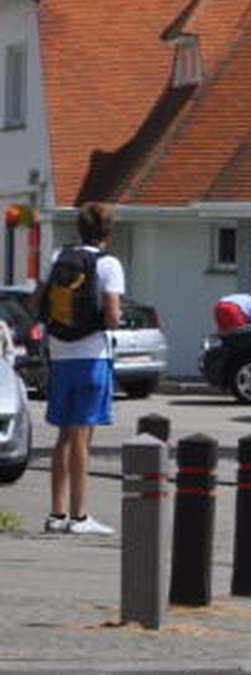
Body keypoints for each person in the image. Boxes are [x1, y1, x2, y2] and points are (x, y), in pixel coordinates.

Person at [40, 202, 124, 535]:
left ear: (79, 229)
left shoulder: (59, 257)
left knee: (63, 433)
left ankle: (56, 514)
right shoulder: (109, 264)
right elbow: (113, 315)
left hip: (59, 353)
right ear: (107, 232)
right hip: (92, 356)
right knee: (82, 433)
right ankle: (80, 516)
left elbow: (39, 301)